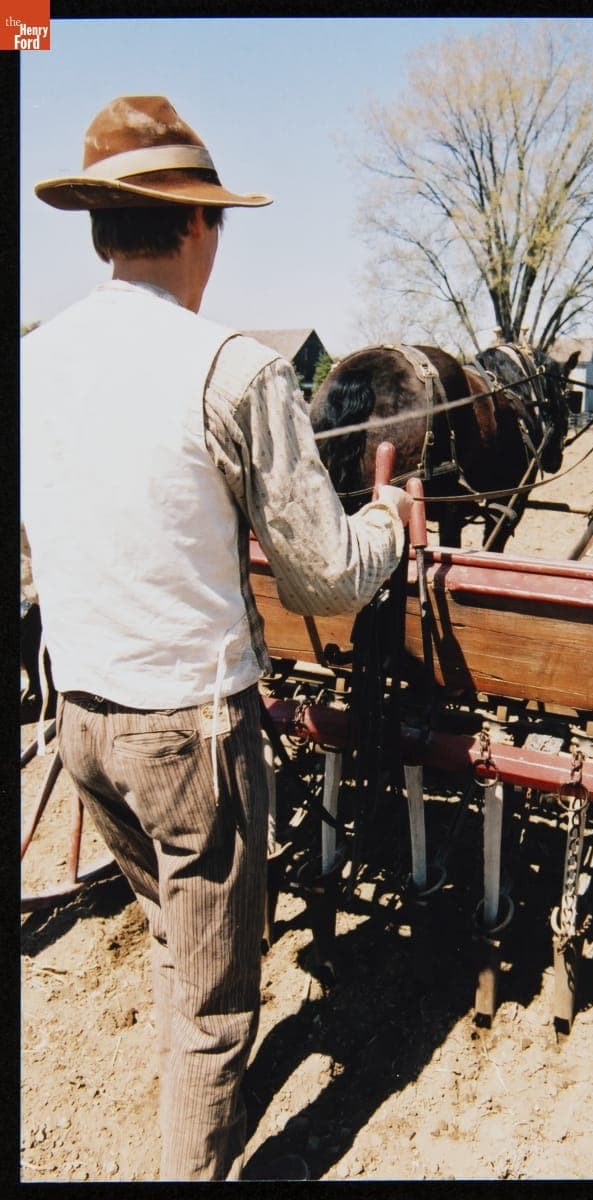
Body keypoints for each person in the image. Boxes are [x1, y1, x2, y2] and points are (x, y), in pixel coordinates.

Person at [21, 95, 412, 1182]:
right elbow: (324, 579)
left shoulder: (35, 362)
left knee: (172, 933)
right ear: (196, 223)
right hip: (190, 735)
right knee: (209, 1012)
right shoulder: (235, 371)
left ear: (102, 226)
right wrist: (387, 521)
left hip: (81, 726)